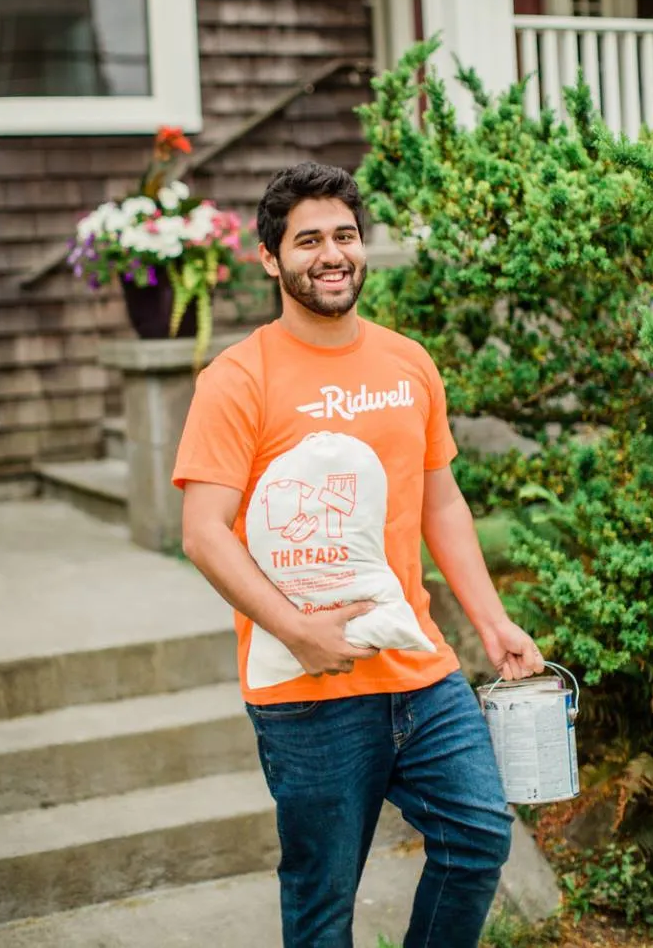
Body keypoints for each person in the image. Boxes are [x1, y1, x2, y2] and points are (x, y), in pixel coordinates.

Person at [173, 161, 545, 948]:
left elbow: (439, 499)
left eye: (344, 234)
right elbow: (204, 530)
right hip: (305, 691)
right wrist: (298, 628)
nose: (331, 253)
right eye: (307, 240)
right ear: (270, 259)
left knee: (477, 834)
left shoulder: (407, 362)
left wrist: (491, 620)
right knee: (321, 899)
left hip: (419, 667)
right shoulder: (237, 379)